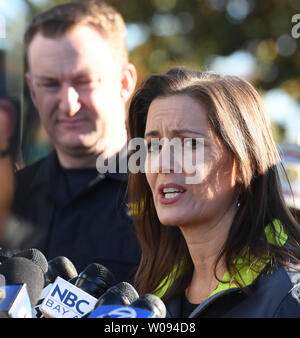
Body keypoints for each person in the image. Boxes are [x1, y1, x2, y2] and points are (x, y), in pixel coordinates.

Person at [127, 67, 300, 317]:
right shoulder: (154, 295)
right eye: (153, 145)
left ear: (244, 165)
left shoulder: (287, 298)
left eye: (189, 143)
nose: (163, 162)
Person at [5, 0, 141, 283]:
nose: (68, 104)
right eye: (51, 84)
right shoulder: (8, 197)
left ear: (125, 83)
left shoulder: (167, 195)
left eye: (83, 81)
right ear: (32, 90)